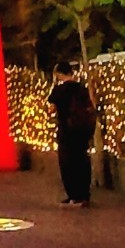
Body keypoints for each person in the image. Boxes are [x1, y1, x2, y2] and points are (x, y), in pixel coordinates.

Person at [48, 62, 98, 206]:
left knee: (68, 163)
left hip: (66, 131)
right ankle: (84, 194)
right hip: (82, 131)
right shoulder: (82, 88)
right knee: (82, 160)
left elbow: (51, 109)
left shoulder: (59, 90)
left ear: (59, 74)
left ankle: (73, 195)